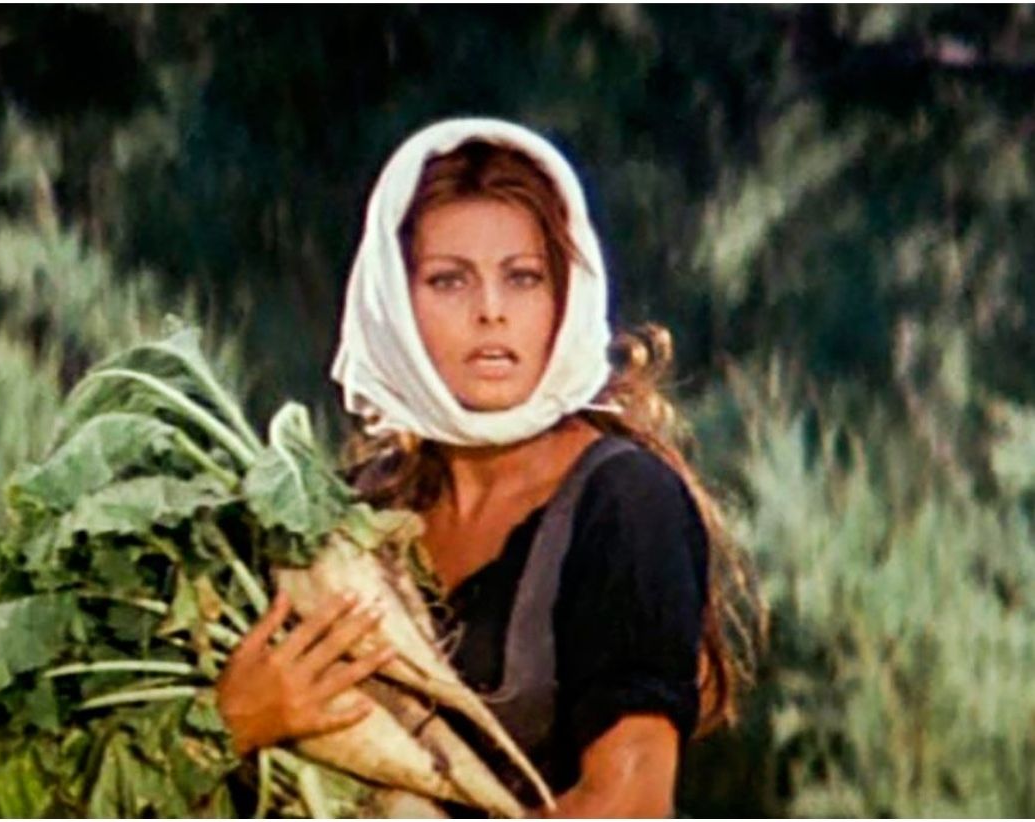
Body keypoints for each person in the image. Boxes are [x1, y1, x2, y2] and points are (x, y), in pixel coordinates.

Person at [215, 118, 758, 817]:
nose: (491, 312)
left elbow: (629, 803)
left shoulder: (623, 501)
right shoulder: (345, 516)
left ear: (565, 296)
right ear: (393, 304)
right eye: (449, 281)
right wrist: (235, 724)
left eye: (523, 278)